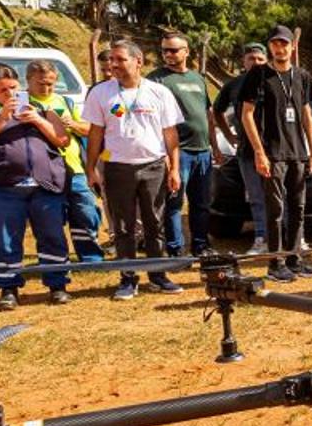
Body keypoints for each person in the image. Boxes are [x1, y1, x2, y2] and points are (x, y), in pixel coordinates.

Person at [84, 39, 184, 301]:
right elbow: (95, 134)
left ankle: (158, 275)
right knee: (123, 226)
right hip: (117, 168)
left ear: (138, 61)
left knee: (154, 223)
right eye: (111, 60)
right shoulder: (101, 93)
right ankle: (128, 278)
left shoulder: (159, 93)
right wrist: (91, 168)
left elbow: (171, 134)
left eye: (120, 59)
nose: (113, 64)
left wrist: (174, 169)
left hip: (153, 167)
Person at [0, 63, 72, 309]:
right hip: (0, 186)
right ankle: (8, 288)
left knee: (52, 234)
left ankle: (57, 284)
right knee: (5, 238)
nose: (10, 94)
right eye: (3, 90)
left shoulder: (39, 108)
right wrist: (2, 117)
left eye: (13, 88)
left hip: (44, 184)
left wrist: (38, 120)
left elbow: (62, 140)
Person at [238, 27, 312, 281]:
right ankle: (275, 263)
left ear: (292, 47)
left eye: (284, 44)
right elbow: (246, 114)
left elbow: (306, 114)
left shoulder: (302, 76)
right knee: (275, 210)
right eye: (274, 44)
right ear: (270, 47)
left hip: (298, 153)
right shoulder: (258, 75)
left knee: (298, 207)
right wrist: (259, 153)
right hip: (272, 153)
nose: (279, 48)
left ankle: (294, 258)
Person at [25, 58, 104, 264]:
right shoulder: (23, 104)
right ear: (28, 80)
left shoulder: (64, 102)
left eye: (50, 83)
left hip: (74, 168)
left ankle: (91, 257)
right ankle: (56, 261)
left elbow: (90, 129)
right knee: (49, 218)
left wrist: (73, 124)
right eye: (40, 83)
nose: (46, 88)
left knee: (87, 212)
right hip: (43, 172)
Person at [149, 32, 218, 256]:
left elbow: (208, 114)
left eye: (173, 50)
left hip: (202, 151)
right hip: (178, 152)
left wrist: (214, 146)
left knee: (201, 203)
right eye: (164, 50)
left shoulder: (197, 78)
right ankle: (175, 249)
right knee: (174, 204)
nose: (168, 54)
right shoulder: (156, 79)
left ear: (187, 51)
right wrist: (167, 156)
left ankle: (201, 246)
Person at [213, 43, 270, 253]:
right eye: (251, 59)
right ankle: (261, 238)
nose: (255, 63)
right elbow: (217, 111)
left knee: (280, 196)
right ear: (243, 62)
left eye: (260, 59)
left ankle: (285, 238)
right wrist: (229, 136)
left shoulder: (275, 81)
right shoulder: (234, 85)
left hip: (275, 150)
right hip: (247, 151)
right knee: (255, 197)